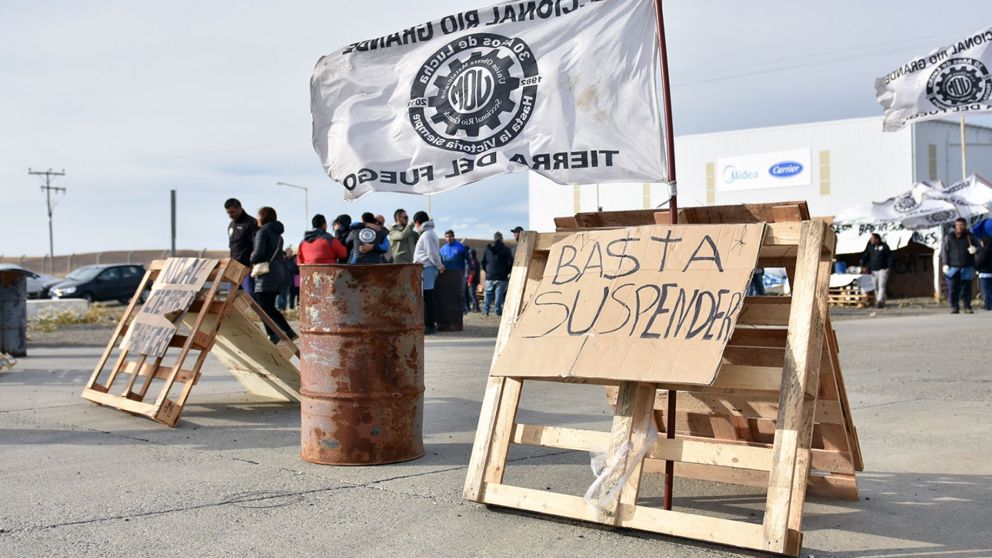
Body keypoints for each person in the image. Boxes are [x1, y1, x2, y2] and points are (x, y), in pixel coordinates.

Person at [249, 206, 298, 343]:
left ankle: (284, 332)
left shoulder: (262, 232)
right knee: (267, 306)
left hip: (266, 275)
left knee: (264, 307)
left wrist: (250, 257)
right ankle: (275, 335)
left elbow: (258, 254)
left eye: (258, 216)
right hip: (278, 274)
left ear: (263, 216)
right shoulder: (278, 235)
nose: (257, 218)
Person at [412, 211, 444, 334]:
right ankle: (429, 324)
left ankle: (429, 325)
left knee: (427, 298)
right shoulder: (430, 233)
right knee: (428, 298)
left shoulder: (427, 235)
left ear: (417, 222)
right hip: (428, 268)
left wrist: (439, 265)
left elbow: (431, 253)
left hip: (427, 268)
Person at [940, 217, 979, 314]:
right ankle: (954, 306)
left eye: (962, 225)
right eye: (958, 225)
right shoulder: (949, 237)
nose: (960, 227)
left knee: (967, 288)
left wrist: (975, 249)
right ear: (955, 226)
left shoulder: (970, 236)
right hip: (953, 266)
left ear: (965, 226)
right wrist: (945, 263)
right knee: (953, 287)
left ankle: (967, 306)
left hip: (967, 265)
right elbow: (944, 251)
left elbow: (979, 245)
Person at [225, 198, 258, 292]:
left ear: (239, 208)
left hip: (246, 268)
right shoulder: (231, 225)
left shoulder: (251, 223)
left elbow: (256, 246)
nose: (230, 215)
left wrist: (251, 265)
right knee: (231, 296)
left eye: (233, 212)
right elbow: (232, 247)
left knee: (249, 296)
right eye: (228, 213)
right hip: (233, 267)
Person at [481, 231, 514, 316]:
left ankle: (485, 311)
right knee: (499, 294)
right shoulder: (506, 249)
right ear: (502, 239)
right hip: (502, 276)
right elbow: (511, 262)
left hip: (490, 275)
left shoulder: (487, 250)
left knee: (488, 294)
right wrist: (508, 271)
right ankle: (498, 311)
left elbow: (483, 262)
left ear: (494, 239)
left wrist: (487, 271)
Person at [440, 229, 470, 311]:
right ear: (445, 238)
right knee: (448, 292)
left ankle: (463, 308)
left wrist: (471, 269)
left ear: (453, 237)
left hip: (458, 273)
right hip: (447, 273)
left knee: (460, 292)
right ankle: (450, 308)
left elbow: (468, 259)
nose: (448, 238)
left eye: (450, 236)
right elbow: (440, 261)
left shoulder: (460, 247)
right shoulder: (442, 249)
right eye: (447, 237)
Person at [860, 233, 892, 309]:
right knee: (875, 287)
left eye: (872, 238)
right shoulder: (870, 247)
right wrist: (862, 265)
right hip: (874, 270)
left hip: (883, 269)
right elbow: (865, 256)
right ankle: (882, 301)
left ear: (877, 239)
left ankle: (879, 301)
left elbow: (889, 257)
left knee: (881, 285)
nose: (871, 240)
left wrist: (889, 267)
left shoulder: (884, 247)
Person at [977, 238, 992, 311]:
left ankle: (987, 304)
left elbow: (980, 261)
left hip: (984, 272)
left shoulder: (983, 250)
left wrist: (976, 267)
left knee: (986, 290)